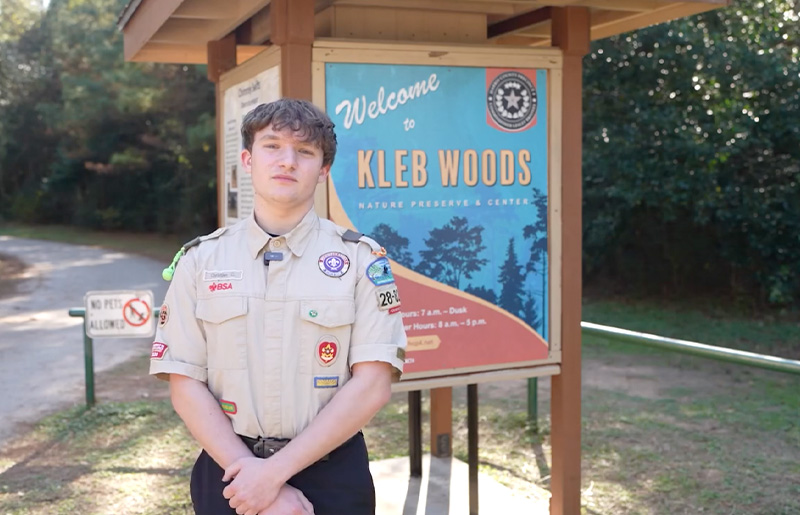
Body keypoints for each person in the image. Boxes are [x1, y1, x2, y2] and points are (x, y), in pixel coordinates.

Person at [150, 98, 407, 515]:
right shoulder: (200, 261)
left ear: (322, 171)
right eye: (272, 146)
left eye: (305, 152)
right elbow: (184, 381)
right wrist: (251, 476)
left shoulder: (362, 260)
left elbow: (373, 383)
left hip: (332, 476)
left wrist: (272, 475)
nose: (287, 161)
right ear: (248, 160)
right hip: (228, 470)